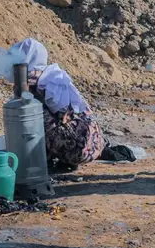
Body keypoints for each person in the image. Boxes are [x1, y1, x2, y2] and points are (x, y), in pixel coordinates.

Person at [8, 38, 105, 171]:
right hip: (94, 146)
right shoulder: (51, 76)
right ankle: (64, 159)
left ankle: (43, 161)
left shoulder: (32, 83)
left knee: (28, 113)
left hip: (77, 150)